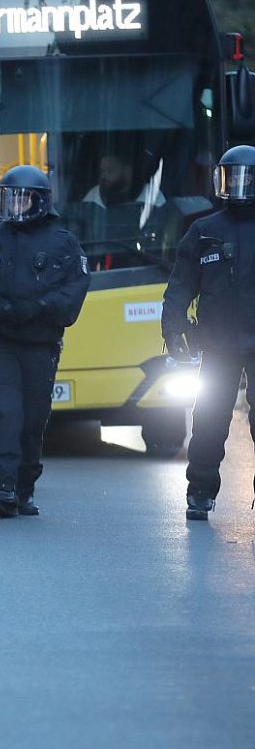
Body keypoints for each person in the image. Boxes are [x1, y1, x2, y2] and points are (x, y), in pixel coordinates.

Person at [0, 166, 89, 517]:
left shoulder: (62, 242)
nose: (15, 205)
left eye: (23, 198)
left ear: (40, 201)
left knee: (33, 419)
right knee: (3, 412)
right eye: (9, 198)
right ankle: (1, 487)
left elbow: (74, 292)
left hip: (39, 344)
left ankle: (24, 487)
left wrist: (38, 308)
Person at [162, 144, 255, 521]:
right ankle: (200, 490)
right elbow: (180, 285)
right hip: (217, 345)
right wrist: (172, 327)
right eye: (231, 179)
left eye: (247, 179)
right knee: (209, 421)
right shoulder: (204, 230)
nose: (239, 187)